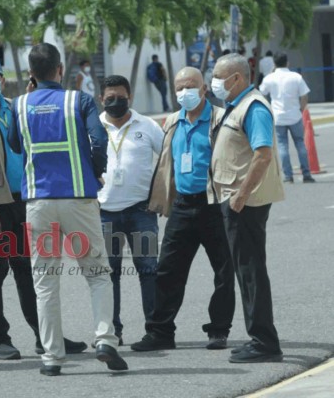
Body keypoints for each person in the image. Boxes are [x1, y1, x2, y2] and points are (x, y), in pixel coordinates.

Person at [0, 55, 87, 361]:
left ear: (2, 80)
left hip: (20, 201)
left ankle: (45, 336)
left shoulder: (16, 107)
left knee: (29, 270)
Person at [8, 43, 128, 376]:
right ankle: (105, 339)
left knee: (45, 283)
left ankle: (51, 357)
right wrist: (95, 170)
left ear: (31, 74)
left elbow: (15, 143)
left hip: (39, 204)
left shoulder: (19, 105)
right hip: (79, 199)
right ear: (60, 70)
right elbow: (98, 140)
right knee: (97, 275)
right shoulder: (80, 100)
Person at [131, 67, 235, 352]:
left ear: (204, 89)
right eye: (179, 87)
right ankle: (160, 332)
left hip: (214, 205)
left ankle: (219, 330)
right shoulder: (173, 121)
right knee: (167, 270)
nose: (184, 92)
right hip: (183, 205)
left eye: (190, 86)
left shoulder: (219, 118)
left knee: (224, 271)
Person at [209, 53, 285, 363]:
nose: (214, 82)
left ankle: (264, 341)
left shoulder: (253, 107)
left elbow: (262, 155)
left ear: (237, 78)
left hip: (245, 203)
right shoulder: (238, 105)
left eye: (218, 76)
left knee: (251, 271)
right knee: (246, 270)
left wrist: (240, 195)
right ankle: (260, 337)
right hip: (236, 200)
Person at [97, 75, 163, 346]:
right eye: (110, 98)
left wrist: (160, 195)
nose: (115, 102)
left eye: (120, 98)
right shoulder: (93, 127)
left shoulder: (147, 126)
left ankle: (155, 330)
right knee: (108, 274)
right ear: (101, 99)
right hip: (103, 212)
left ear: (130, 97)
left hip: (141, 211)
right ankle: (113, 332)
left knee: (148, 270)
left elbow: (167, 160)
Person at [259, 52, 315, 183]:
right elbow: (304, 96)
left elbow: (262, 93)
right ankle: (306, 174)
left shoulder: (269, 78)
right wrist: (300, 109)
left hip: (278, 117)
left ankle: (288, 176)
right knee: (300, 144)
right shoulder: (296, 77)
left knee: (282, 146)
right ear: (287, 62)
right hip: (295, 115)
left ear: (274, 63)